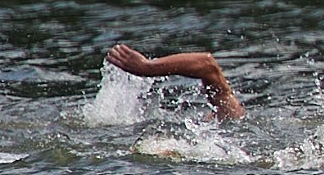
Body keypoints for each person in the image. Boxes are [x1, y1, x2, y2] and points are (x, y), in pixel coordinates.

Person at [104, 44, 244, 121]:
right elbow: (207, 65)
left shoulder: (230, 117)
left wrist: (148, 68)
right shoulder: (230, 119)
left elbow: (206, 64)